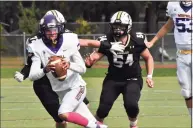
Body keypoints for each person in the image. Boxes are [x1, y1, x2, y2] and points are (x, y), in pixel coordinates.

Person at [14, 10, 124, 128]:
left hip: (75, 86)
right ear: (43, 29)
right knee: (83, 120)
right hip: (55, 87)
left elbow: (83, 62)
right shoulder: (35, 45)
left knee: (63, 113)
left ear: (61, 27)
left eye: (55, 29)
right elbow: (32, 70)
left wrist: (69, 64)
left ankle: (95, 126)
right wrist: (40, 70)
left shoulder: (69, 39)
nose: (52, 33)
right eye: (48, 30)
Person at [84, 11, 154, 128]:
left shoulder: (137, 39)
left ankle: (133, 125)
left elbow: (148, 57)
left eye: (121, 26)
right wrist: (89, 62)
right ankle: (95, 125)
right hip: (113, 78)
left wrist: (149, 76)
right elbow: (95, 57)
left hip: (133, 78)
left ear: (128, 26)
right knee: (103, 109)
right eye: (115, 26)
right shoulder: (107, 39)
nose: (118, 29)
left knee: (131, 104)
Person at [145, 1, 192, 116]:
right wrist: (152, 42)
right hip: (181, 54)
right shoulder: (173, 6)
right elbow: (167, 27)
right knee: (186, 92)